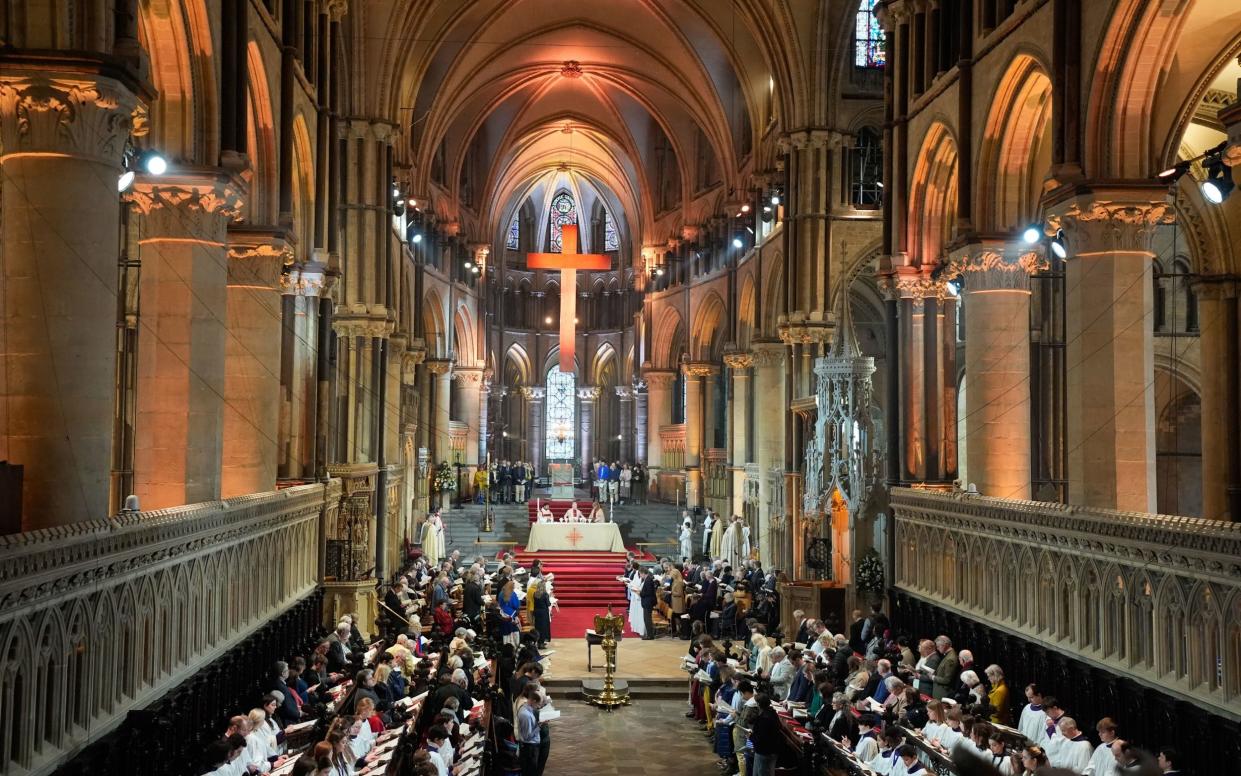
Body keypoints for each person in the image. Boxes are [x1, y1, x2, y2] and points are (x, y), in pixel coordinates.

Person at [749, 693, 782, 776]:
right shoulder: (773, 713)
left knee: (761, 773)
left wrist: (750, 736)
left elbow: (760, 738)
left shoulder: (764, 719)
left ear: (759, 704)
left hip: (764, 752)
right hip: (772, 750)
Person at [516, 685, 542, 776]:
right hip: (529, 748)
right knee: (530, 772)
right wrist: (540, 726)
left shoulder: (528, 710)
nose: (538, 707)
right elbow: (527, 736)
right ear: (533, 701)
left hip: (530, 747)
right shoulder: (525, 715)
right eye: (538, 704)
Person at [931, 635, 959, 700]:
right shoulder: (947, 655)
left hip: (943, 693)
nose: (937, 648)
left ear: (945, 645)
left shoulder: (950, 659)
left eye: (938, 646)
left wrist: (933, 677)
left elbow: (947, 680)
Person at [529, 578, 552, 648]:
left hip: (537, 612)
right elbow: (548, 604)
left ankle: (539, 641)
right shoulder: (545, 594)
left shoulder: (535, 594)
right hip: (543, 612)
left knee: (538, 627)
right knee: (543, 628)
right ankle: (541, 643)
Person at [625, 563, 647, 638]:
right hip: (636, 597)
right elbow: (634, 583)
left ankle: (641, 629)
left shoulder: (646, 579)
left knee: (640, 615)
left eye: (641, 574)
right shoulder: (636, 574)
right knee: (636, 613)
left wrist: (634, 588)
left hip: (640, 598)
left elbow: (641, 588)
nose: (640, 575)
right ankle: (637, 627)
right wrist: (630, 584)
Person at [498, 578, 521, 647]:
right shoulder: (513, 594)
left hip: (503, 614)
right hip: (512, 614)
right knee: (514, 632)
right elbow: (516, 605)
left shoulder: (501, 593)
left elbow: (500, 603)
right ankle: (514, 646)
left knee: (506, 633)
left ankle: (506, 646)